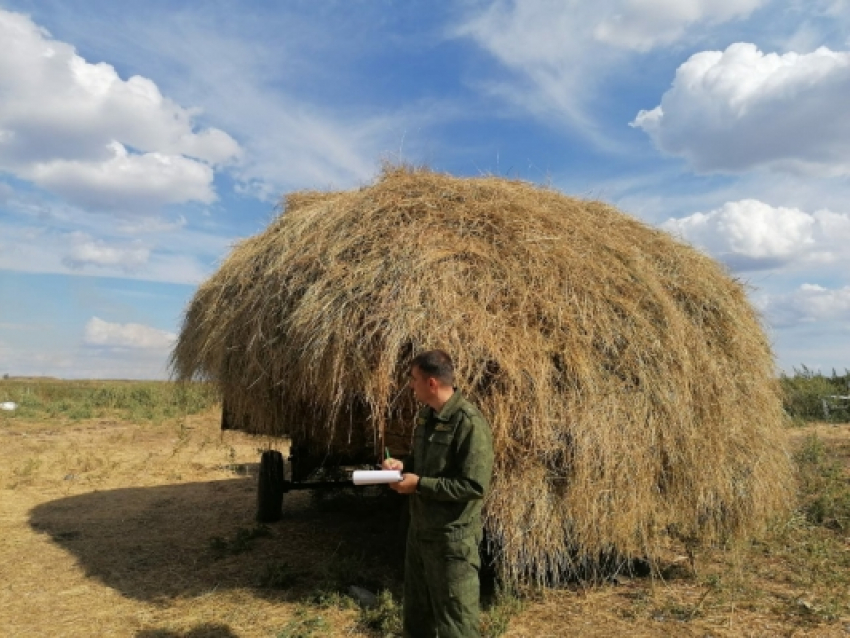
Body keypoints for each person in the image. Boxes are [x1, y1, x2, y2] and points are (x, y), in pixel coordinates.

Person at [383, 349, 494, 638]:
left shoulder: (468, 423)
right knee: (417, 618)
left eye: (414, 379)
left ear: (431, 383)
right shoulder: (426, 417)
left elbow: (474, 486)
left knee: (456, 625)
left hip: (451, 542)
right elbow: (423, 464)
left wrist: (418, 485)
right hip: (420, 535)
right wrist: (402, 465)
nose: (410, 385)